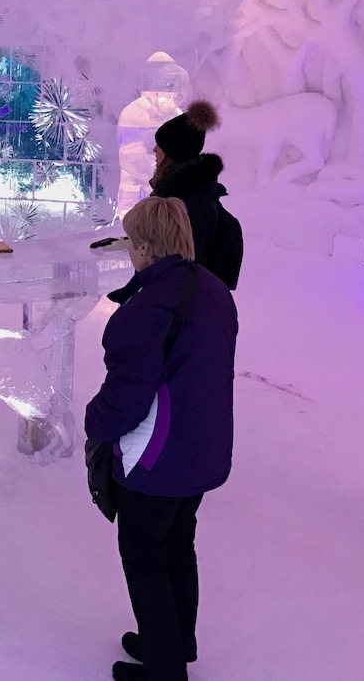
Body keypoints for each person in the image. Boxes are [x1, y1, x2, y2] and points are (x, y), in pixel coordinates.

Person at [85, 197, 238, 681]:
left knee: (145, 556)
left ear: (147, 247)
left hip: (156, 458)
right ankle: (173, 641)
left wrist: (94, 422)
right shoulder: (212, 289)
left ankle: (165, 669)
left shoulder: (148, 307)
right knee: (177, 543)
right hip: (202, 447)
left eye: (131, 241)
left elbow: (127, 396)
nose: (129, 249)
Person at [149, 100, 233, 278]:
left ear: (175, 152)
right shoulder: (182, 197)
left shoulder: (193, 204)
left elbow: (182, 266)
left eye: (161, 145)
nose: (154, 150)